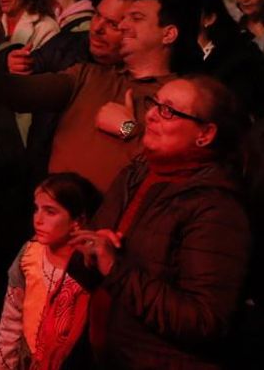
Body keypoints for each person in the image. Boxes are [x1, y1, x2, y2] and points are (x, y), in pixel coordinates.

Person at [69, 75, 250, 368]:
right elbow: (90, 266)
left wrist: (116, 267)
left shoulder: (215, 207)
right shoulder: (136, 175)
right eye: (155, 104)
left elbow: (204, 320)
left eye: (169, 110)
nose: (151, 114)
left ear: (205, 134)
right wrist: (90, 253)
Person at [0, 0, 181, 191]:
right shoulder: (89, 73)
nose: (125, 25)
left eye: (132, 19)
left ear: (168, 34)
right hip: (51, 211)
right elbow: (27, 91)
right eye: (99, 16)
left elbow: (178, 166)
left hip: (110, 220)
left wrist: (126, 129)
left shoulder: (180, 96)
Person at [0, 171, 103, 370]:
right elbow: (11, 319)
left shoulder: (89, 266)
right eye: (36, 209)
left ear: (78, 220)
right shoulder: (29, 255)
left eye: (50, 211)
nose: (38, 219)